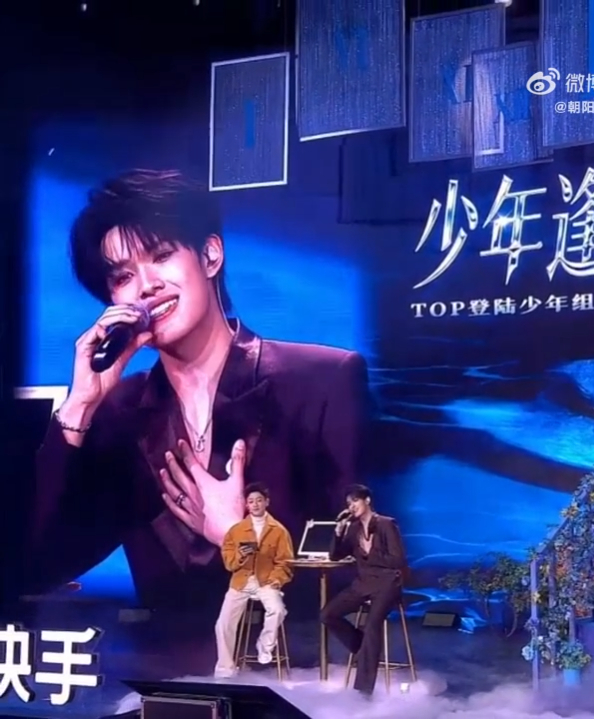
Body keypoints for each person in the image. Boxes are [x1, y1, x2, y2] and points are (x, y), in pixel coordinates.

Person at [28, 169, 370, 608]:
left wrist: (235, 537)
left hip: (289, 650)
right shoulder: (121, 412)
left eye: (161, 255)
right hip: (159, 653)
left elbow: (363, 576)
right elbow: (34, 565)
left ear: (210, 255)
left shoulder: (323, 381)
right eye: (123, 277)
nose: (147, 286)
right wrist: (79, 407)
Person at [320, 484, 408, 697]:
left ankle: (364, 690)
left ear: (367, 500)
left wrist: (371, 553)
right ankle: (364, 649)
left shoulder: (386, 524)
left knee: (372, 626)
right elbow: (335, 556)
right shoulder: (353, 528)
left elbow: (397, 560)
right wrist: (338, 533)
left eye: (355, 501)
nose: (351, 507)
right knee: (327, 614)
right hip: (363, 583)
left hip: (387, 583)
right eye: (348, 503)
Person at [214, 483, 293, 677]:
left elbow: (285, 562)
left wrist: (276, 579)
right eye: (251, 501)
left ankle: (265, 645)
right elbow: (229, 563)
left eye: (259, 500)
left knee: (277, 610)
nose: (255, 504)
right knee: (223, 624)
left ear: (267, 502)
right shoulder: (236, 530)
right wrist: (240, 556)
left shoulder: (279, 530)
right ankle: (225, 668)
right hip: (241, 582)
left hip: (267, 581)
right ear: (246, 505)